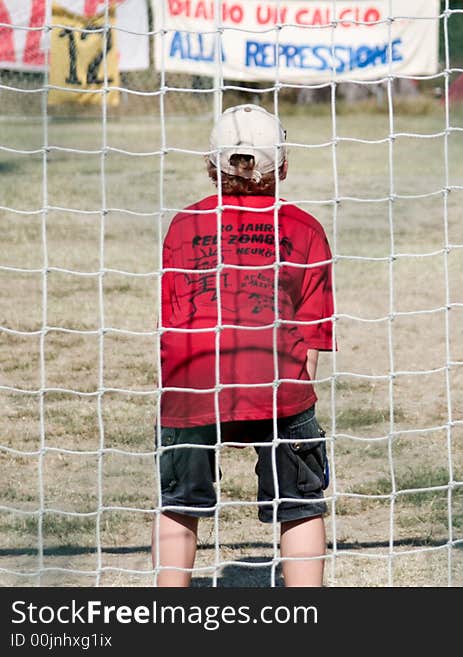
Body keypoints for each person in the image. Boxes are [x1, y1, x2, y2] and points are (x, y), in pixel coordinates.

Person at [152, 104, 335, 587]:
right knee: (300, 505)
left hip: (192, 380)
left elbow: (171, 320)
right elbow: (312, 337)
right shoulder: (305, 228)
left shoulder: (183, 225)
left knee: (177, 504)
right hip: (277, 379)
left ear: (211, 166)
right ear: (285, 166)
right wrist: (291, 407)